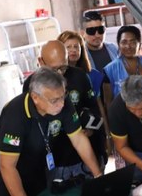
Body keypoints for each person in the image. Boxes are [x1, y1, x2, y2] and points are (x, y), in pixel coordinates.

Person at [0, 67, 102, 196]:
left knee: (41, 191)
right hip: (5, 164)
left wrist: (98, 176)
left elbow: (79, 140)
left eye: (63, 96)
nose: (61, 104)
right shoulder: (15, 115)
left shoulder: (62, 101)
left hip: (36, 157)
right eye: (54, 101)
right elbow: (7, 167)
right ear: (35, 97)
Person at [22, 41, 107, 180]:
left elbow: (94, 108)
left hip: (84, 153)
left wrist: (92, 129)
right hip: (56, 159)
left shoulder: (80, 76)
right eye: (54, 69)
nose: (60, 74)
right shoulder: (32, 84)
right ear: (41, 62)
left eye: (63, 67)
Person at [103, 25, 142, 98]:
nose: (128, 46)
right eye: (124, 42)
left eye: (132, 42)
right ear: (119, 45)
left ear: (140, 44)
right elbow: (108, 101)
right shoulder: (109, 70)